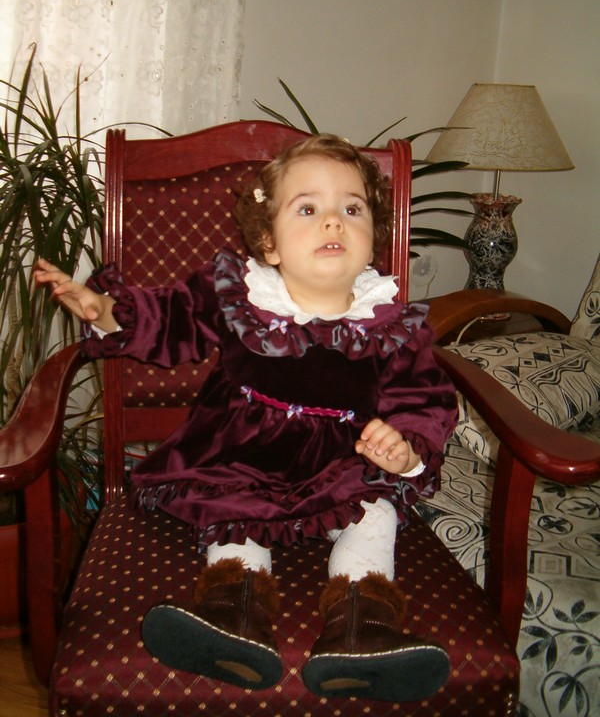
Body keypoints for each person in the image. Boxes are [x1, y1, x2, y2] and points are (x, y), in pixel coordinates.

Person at [34, 133, 458, 703]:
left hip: (343, 466)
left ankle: (364, 629)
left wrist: (404, 448)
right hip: (241, 455)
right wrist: (107, 311)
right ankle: (233, 617)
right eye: (307, 209)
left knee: (375, 514)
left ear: (372, 239)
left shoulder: (391, 323)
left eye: (352, 209)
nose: (333, 221)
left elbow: (426, 400)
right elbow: (173, 319)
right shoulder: (241, 294)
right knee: (235, 515)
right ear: (269, 242)